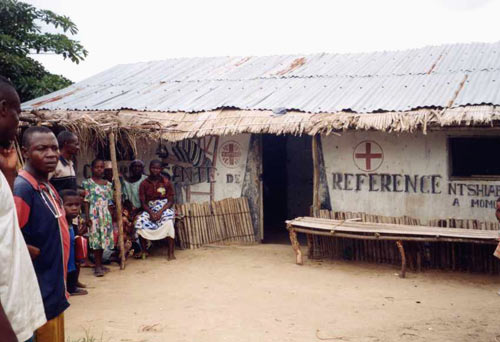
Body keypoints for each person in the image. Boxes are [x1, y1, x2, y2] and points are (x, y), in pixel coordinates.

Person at [0, 76, 46, 342]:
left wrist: (7, 176)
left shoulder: (5, 171)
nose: (18, 123)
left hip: (16, 314)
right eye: (18, 114)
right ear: (3, 108)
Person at [14, 126, 70, 342]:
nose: (51, 154)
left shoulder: (45, 186)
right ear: (25, 151)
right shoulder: (23, 189)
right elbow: (6, 240)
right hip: (38, 298)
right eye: (42, 149)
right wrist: (24, 247)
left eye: (54, 148)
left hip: (54, 291)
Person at [135, 159, 176, 260]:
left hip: (164, 207)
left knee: (169, 223)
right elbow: (143, 202)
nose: (155, 170)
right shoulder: (144, 184)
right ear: (149, 168)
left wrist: (160, 212)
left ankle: (171, 253)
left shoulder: (166, 182)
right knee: (140, 221)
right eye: (153, 168)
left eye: (157, 168)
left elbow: (170, 201)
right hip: (149, 208)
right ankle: (144, 251)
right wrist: (151, 213)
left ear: (161, 169)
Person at [82, 159, 114, 277]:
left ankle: (99, 264)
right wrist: (87, 217)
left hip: (105, 214)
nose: (99, 169)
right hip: (93, 214)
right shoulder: (87, 183)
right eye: (97, 167)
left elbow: (110, 202)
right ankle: (97, 266)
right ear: (92, 168)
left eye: (102, 167)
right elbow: (86, 202)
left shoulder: (108, 184)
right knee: (95, 239)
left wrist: (110, 216)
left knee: (102, 239)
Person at [61, 189, 88, 296]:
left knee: (73, 265)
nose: (74, 208)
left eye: (77, 205)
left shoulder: (71, 223)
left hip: (72, 259)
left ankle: (72, 287)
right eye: (69, 205)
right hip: (65, 260)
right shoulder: (61, 225)